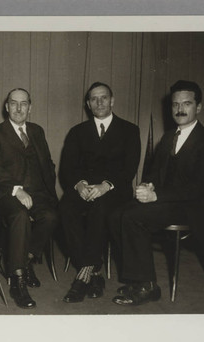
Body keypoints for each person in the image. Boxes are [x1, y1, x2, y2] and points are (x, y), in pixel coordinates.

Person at [110, 80, 204, 306]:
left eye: (187, 104)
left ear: (198, 107)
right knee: (115, 215)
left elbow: (199, 188)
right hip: (167, 204)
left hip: (194, 208)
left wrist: (156, 196)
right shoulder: (168, 137)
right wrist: (148, 186)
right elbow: (153, 172)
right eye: (175, 104)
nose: (180, 109)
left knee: (133, 217)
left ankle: (147, 286)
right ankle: (137, 278)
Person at [59, 82, 141, 303]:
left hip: (114, 190)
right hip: (84, 188)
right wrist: (79, 184)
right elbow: (67, 167)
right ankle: (94, 273)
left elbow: (129, 169)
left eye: (104, 98)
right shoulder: (77, 132)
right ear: (88, 104)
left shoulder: (130, 130)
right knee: (66, 207)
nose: (99, 102)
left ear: (112, 101)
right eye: (94, 99)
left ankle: (85, 273)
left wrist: (105, 186)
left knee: (101, 209)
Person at [0, 88, 59, 309]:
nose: (19, 108)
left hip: (36, 193)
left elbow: (47, 164)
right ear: (6, 106)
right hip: (5, 193)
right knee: (19, 215)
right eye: (14, 103)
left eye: (24, 103)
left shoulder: (37, 131)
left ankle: (25, 259)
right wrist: (16, 190)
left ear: (30, 107)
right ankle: (17, 279)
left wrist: (49, 194)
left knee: (51, 216)